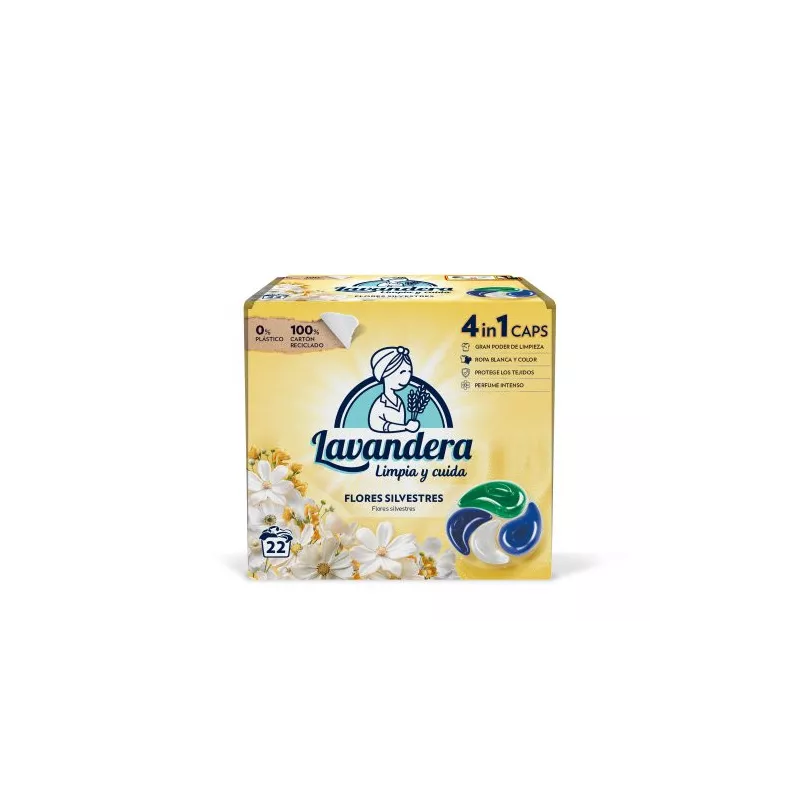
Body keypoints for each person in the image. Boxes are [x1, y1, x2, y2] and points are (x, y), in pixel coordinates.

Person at [368, 346, 420, 433]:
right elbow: (376, 425)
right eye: (402, 372)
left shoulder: (399, 401)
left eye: (409, 372)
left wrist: (407, 427)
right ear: (384, 374)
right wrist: (405, 427)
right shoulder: (380, 404)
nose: (407, 377)